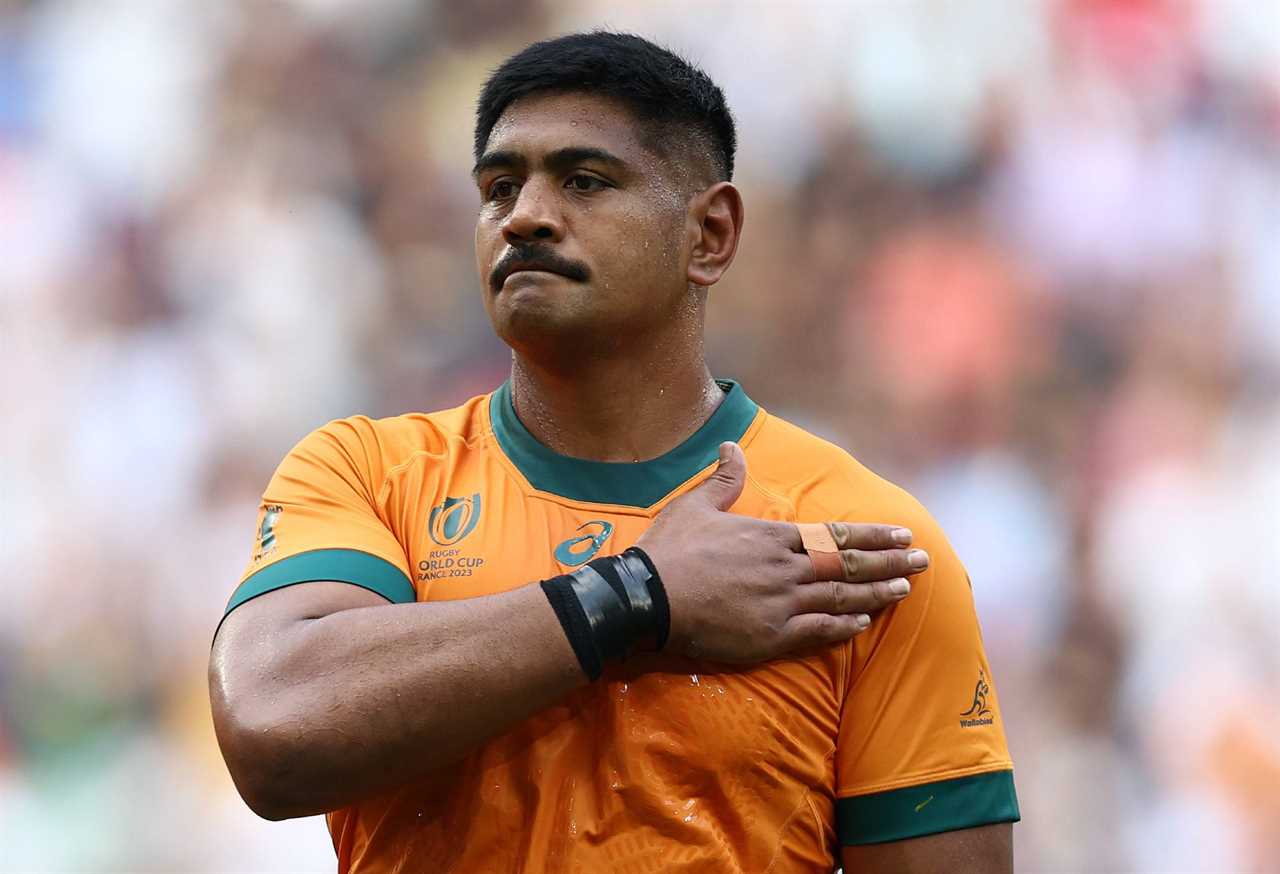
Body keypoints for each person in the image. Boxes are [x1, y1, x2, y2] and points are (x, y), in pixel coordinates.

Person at [209, 31, 1018, 873]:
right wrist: (640, 595)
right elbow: (270, 724)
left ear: (709, 234)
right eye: (499, 187)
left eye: (584, 181)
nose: (523, 215)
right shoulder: (364, 473)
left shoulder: (863, 545)